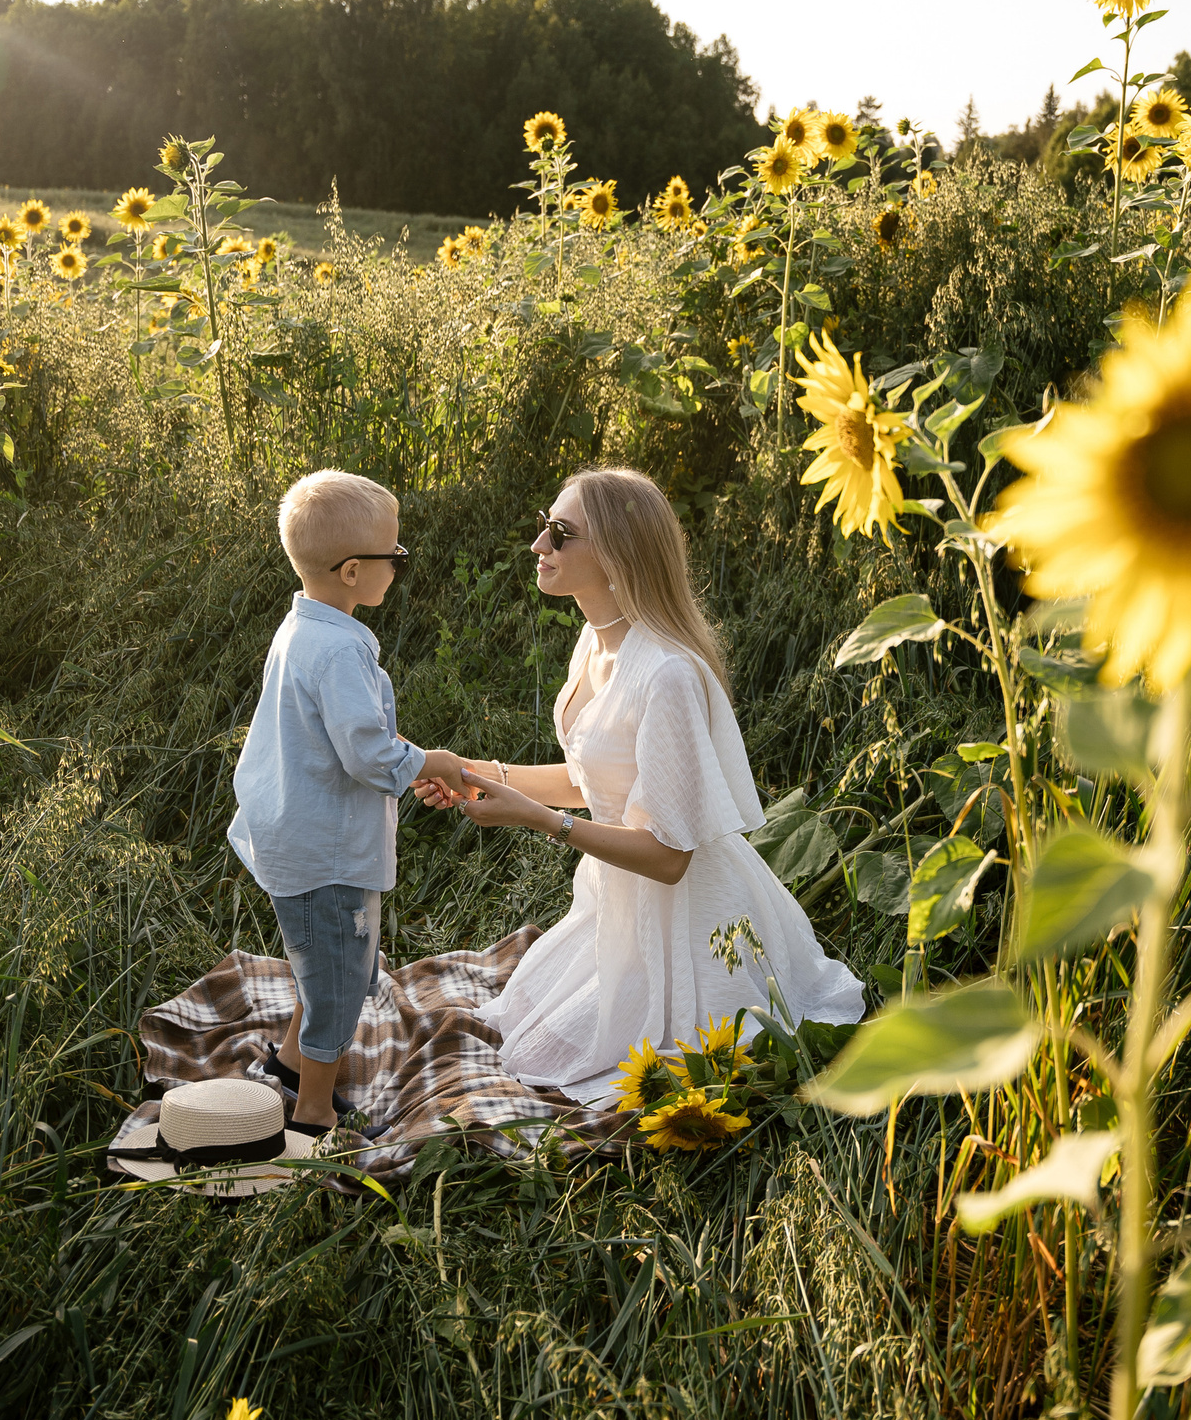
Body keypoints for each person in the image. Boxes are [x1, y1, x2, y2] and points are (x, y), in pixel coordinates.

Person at [412, 467, 866, 1104]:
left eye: (561, 534)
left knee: (594, 1068)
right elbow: (594, 778)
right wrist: (479, 773)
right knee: (524, 1031)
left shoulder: (667, 674)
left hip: (689, 918)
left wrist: (535, 819)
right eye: (545, 527)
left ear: (618, 557)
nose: (539, 546)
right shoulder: (595, 642)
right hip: (615, 902)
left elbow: (669, 857)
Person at [227, 469, 468, 1133]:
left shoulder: (304, 628)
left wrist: (405, 759)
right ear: (355, 571)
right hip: (325, 853)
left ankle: (284, 1063)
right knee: (336, 983)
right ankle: (311, 1115)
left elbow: (347, 737)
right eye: (397, 556)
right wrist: (428, 761)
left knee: (327, 964)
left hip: (297, 837)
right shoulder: (337, 650)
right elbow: (365, 752)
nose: (402, 565)